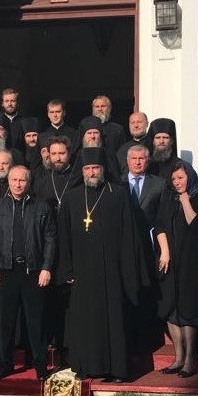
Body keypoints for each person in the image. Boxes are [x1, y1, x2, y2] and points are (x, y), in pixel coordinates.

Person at [57, 148, 143, 382]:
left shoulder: (119, 194)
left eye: (95, 168)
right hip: (82, 271)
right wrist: (67, 269)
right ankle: (84, 366)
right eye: (87, 168)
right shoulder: (72, 197)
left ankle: (116, 369)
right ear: (82, 171)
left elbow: (128, 235)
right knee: (84, 319)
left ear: (103, 169)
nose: (92, 172)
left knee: (112, 319)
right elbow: (63, 237)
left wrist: (127, 269)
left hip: (111, 271)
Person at [0, 165, 56, 381]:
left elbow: (50, 239)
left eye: (22, 180)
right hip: (6, 270)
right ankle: (5, 364)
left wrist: (46, 267)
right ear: (8, 182)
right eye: (14, 180)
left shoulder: (42, 207)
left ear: (28, 182)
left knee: (36, 321)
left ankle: (40, 365)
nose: (18, 184)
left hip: (33, 271)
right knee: (6, 322)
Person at [156, 159, 198, 378]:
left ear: (189, 177)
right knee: (171, 308)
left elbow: (196, 224)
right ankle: (178, 357)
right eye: (173, 179)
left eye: (180, 178)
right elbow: (159, 225)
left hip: (193, 261)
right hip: (171, 260)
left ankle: (190, 360)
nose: (177, 182)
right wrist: (164, 251)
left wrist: (185, 200)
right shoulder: (168, 198)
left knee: (189, 309)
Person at [33, 135, 81, 365]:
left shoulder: (78, 180)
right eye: (54, 154)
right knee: (49, 300)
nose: (58, 158)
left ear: (69, 154)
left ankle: (71, 347)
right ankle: (53, 343)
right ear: (47, 155)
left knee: (71, 303)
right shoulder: (41, 182)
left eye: (62, 153)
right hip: (47, 250)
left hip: (73, 248)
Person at [124, 144, 167, 355]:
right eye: (134, 158)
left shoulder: (159, 184)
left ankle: (148, 340)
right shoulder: (118, 183)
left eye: (141, 158)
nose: (138, 162)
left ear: (147, 161)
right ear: (127, 161)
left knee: (148, 291)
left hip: (150, 246)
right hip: (125, 246)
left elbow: (162, 216)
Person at [117, 112, 153, 176]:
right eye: (132, 123)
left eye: (139, 122)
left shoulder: (153, 146)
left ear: (147, 124)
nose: (136, 125)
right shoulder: (122, 149)